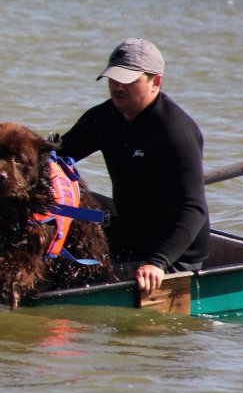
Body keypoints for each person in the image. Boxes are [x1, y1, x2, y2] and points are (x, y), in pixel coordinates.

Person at [56, 38, 210, 295]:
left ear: (156, 82)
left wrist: (158, 263)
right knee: (73, 205)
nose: (118, 87)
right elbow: (57, 156)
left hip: (174, 254)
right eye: (114, 79)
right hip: (131, 234)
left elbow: (194, 209)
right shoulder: (104, 118)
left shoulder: (176, 132)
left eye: (128, 80)